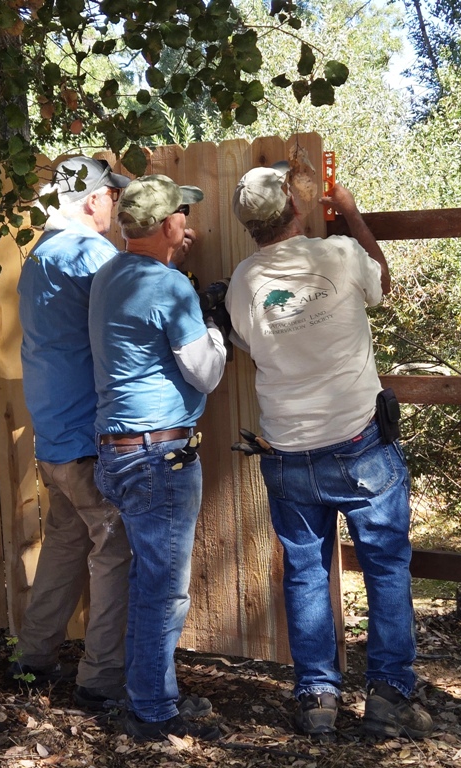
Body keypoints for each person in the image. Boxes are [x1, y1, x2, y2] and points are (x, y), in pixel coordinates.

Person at [225, 163, 434, 741]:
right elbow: (383, 284)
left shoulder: (244, 280)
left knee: (306, 572)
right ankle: (389, 694)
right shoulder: (340, 254)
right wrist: (348, 208)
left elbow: (247, 342)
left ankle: (318, 698)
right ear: (296, 205)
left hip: (288, 448)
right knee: (386, 567)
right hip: (357, 441)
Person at [89, 174, 228, 742]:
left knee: (146, 580)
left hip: (118, 453)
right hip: (159, 456)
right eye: (181, 216)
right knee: (162, 589)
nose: (187, 223)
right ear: (169, 224)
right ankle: (151, 709)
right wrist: (214, 324)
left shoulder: (110, 275)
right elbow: (207, 372)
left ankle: (147, 693)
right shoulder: (169, 289)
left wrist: (172, 268)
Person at [13, 155, 134, 714]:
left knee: (65, 544)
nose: (117, 205)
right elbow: (135, 317)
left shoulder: (39, 255)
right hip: (91, 437)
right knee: (114, 549)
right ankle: (102, 678)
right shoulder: (91, 253)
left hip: (54, 435)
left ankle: (34, 658)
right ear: (92, 200)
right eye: (111, 196)